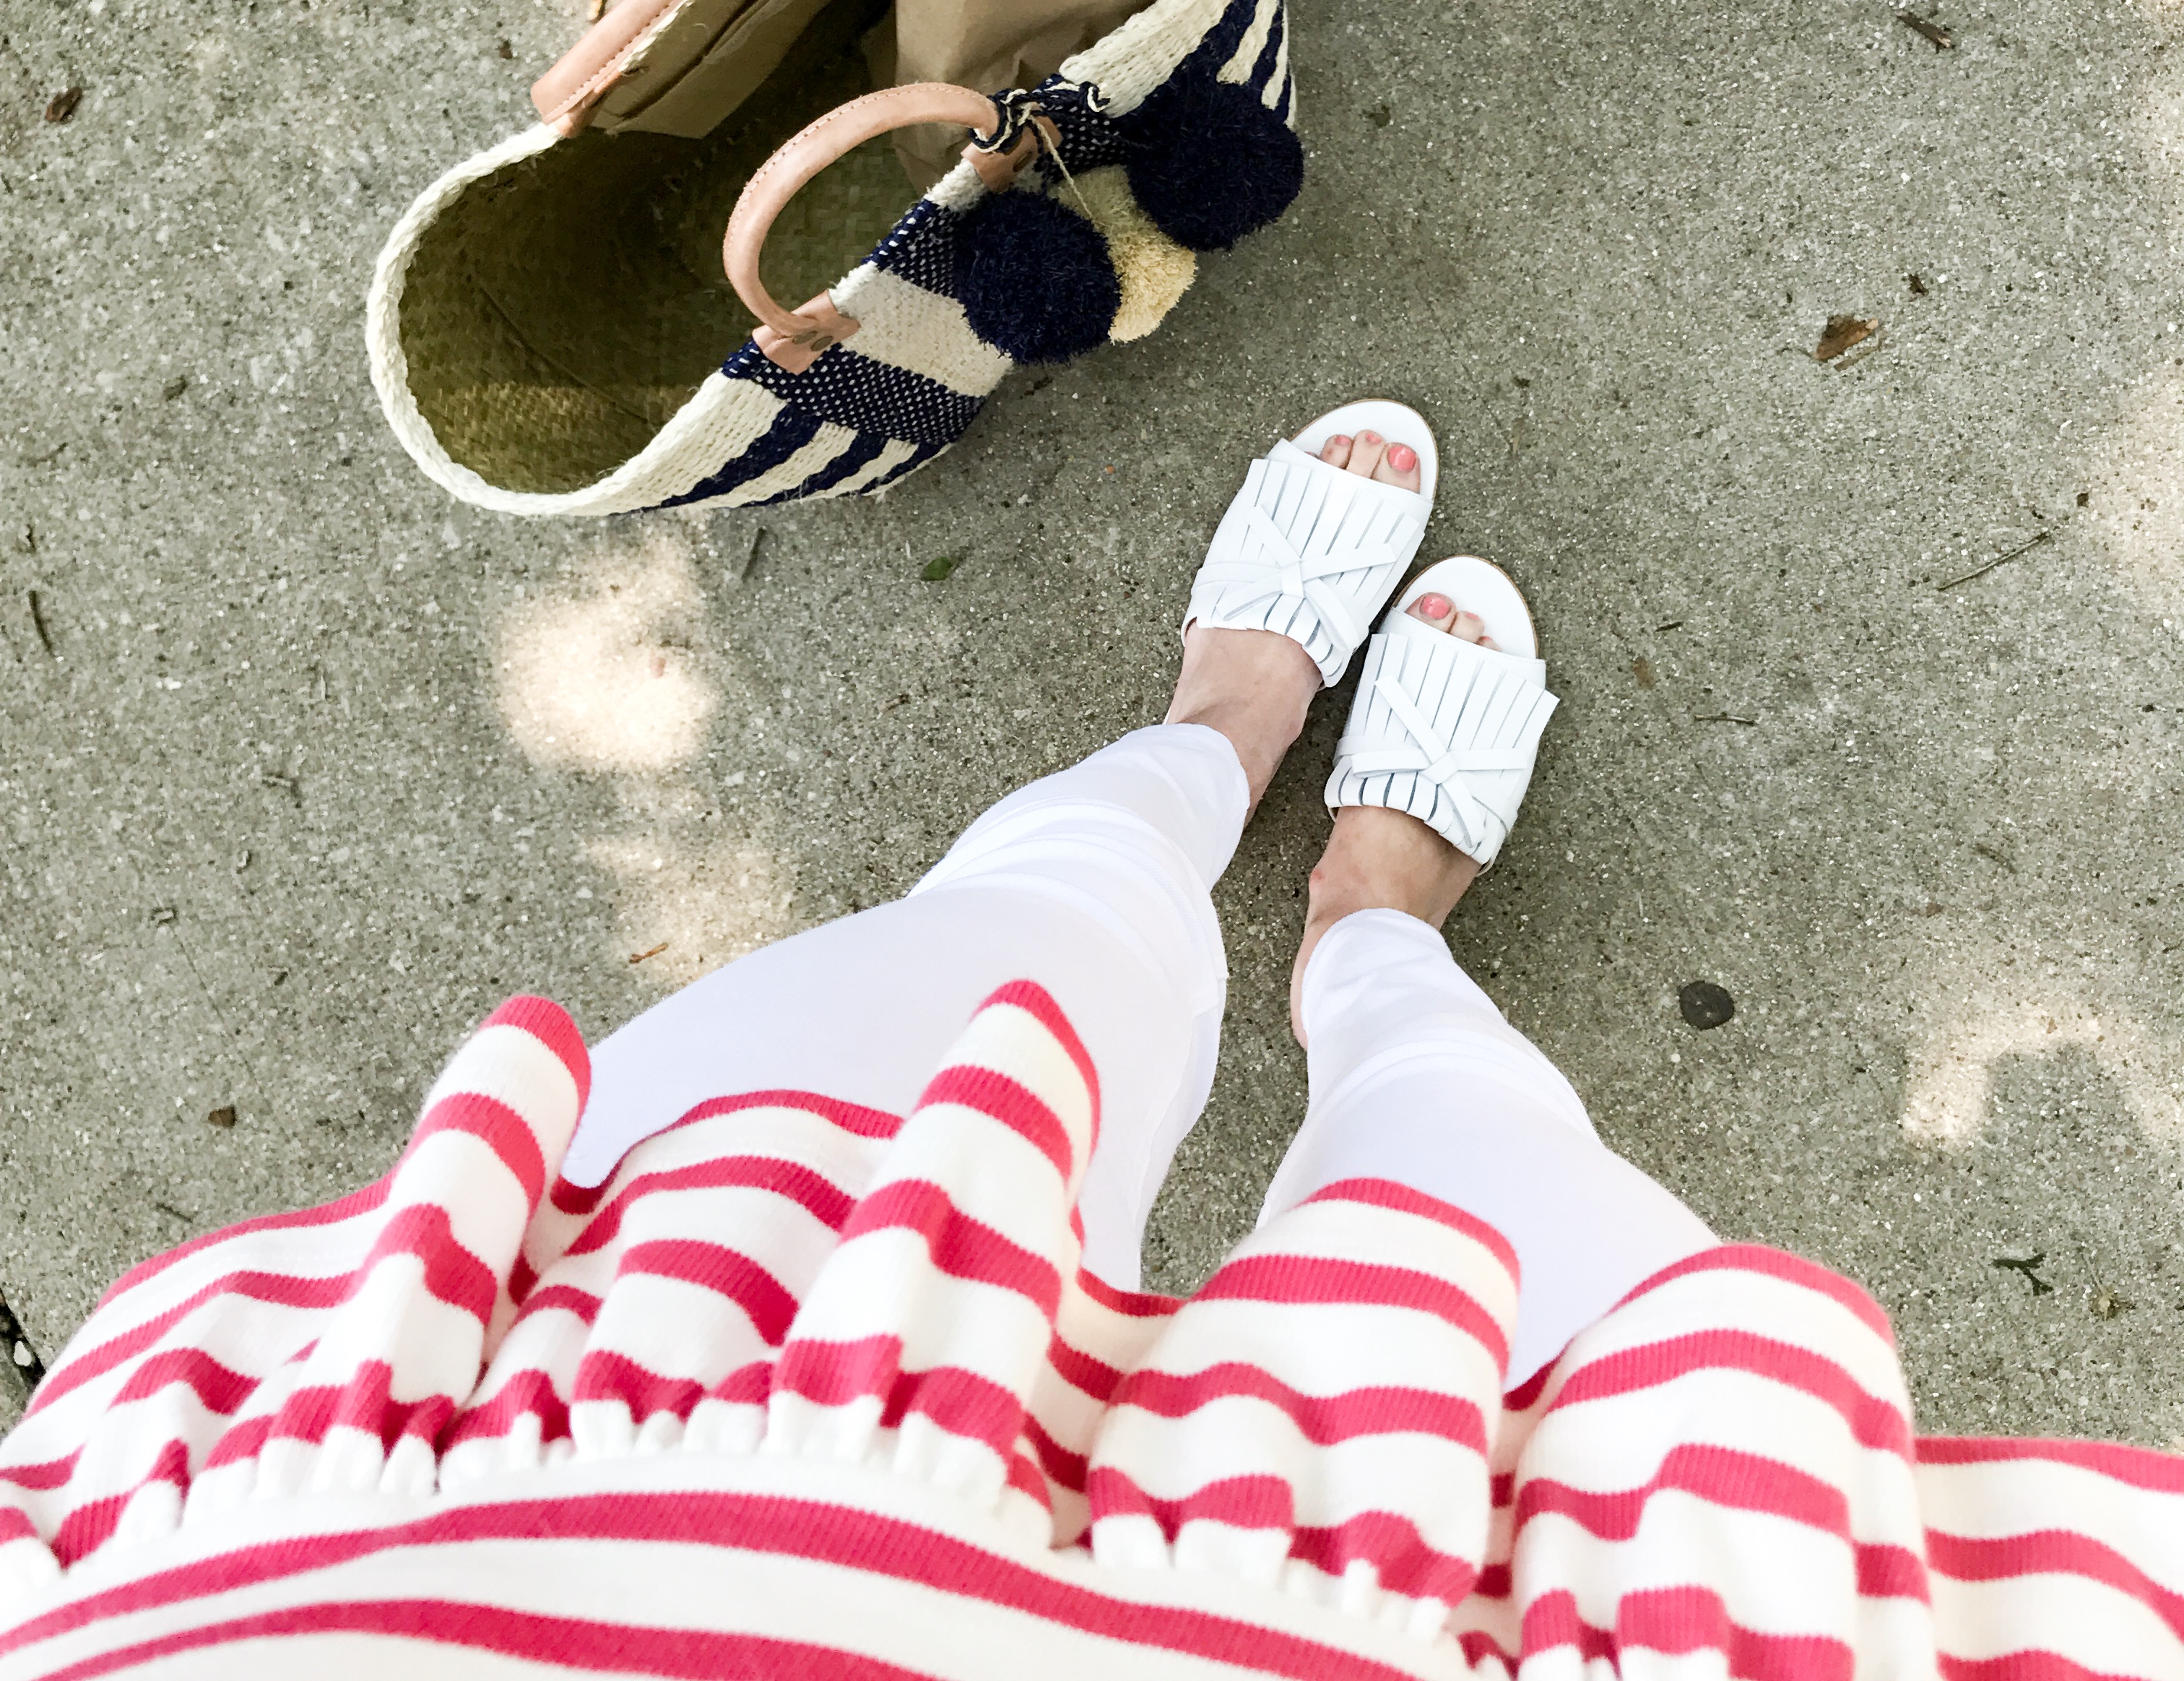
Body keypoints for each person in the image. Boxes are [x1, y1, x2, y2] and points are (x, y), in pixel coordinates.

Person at [0, 405, 2174, 1680]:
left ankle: (1217, 740)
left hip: (466, 1552)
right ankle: (1372, 928)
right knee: (1508, 1234)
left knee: (981, 1000)